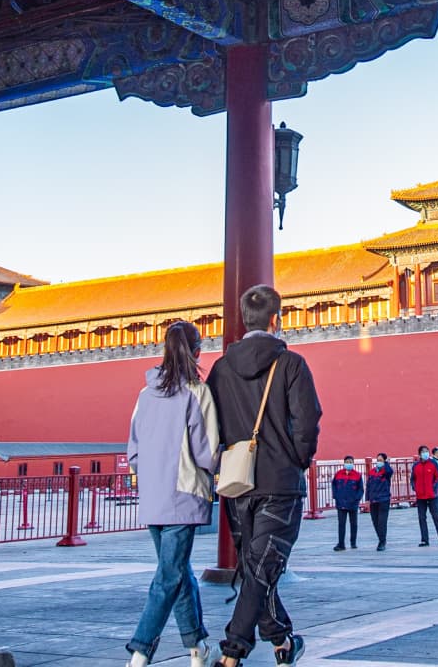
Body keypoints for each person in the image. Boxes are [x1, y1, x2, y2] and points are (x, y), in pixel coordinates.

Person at [208, 285, 322, 667]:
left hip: (237, 482)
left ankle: (282, 640)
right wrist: (297, 459)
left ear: (245, 319)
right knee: (261, 569)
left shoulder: (221, 369)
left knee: (257, 567)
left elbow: (212, 424)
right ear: (276, 319)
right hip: (279, 482)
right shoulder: (291, 364)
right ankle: (232, 652)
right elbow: (307, 420)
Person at [124, 320, 222, 667]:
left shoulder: (144, 395)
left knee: (178, 571)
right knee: (169, 575)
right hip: (183, 494)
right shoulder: (197, 392)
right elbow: (207, 453)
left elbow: (133, 451)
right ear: (197, 352)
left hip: (153, 496)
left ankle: (198, 648)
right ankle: (140, 650)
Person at [412, 445, 438, 545]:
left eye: (426, 451)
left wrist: (434, 487)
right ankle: (424, 539)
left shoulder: (433, 463)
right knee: (421, 517)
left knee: (436, 516)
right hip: (420, 495)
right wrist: (415, 487)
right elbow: (413, 479)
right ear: (419, 454)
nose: (425, 453)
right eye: (423, 452)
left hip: (433, 495)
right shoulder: (416, 465)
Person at [331, 455, 363, 550]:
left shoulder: (357, 475)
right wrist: (336, 496)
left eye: (350, 462)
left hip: (353, 503)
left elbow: (360, 489)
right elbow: (334, 485)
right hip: (341, 503)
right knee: (341, 524)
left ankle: (353, 542)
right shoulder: (338, 474)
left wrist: (356, 499)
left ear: (353, 463)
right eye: (347, 462)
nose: (349, 464)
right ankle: (341, 544)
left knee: (353, 524)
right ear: (344, 463)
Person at [364, 452, 394, 550]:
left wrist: (387, 463)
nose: (379, 462)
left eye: (381, 460)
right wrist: (367, 499)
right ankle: (381, 539)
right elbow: (368, 486)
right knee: (375, 522)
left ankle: (382, 542)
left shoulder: (386, 472)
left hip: (384, 500)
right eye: (378, 460)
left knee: (382, 522)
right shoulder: (372, 472)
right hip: (373, 500)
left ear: (384, 461)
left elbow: (390, 471)